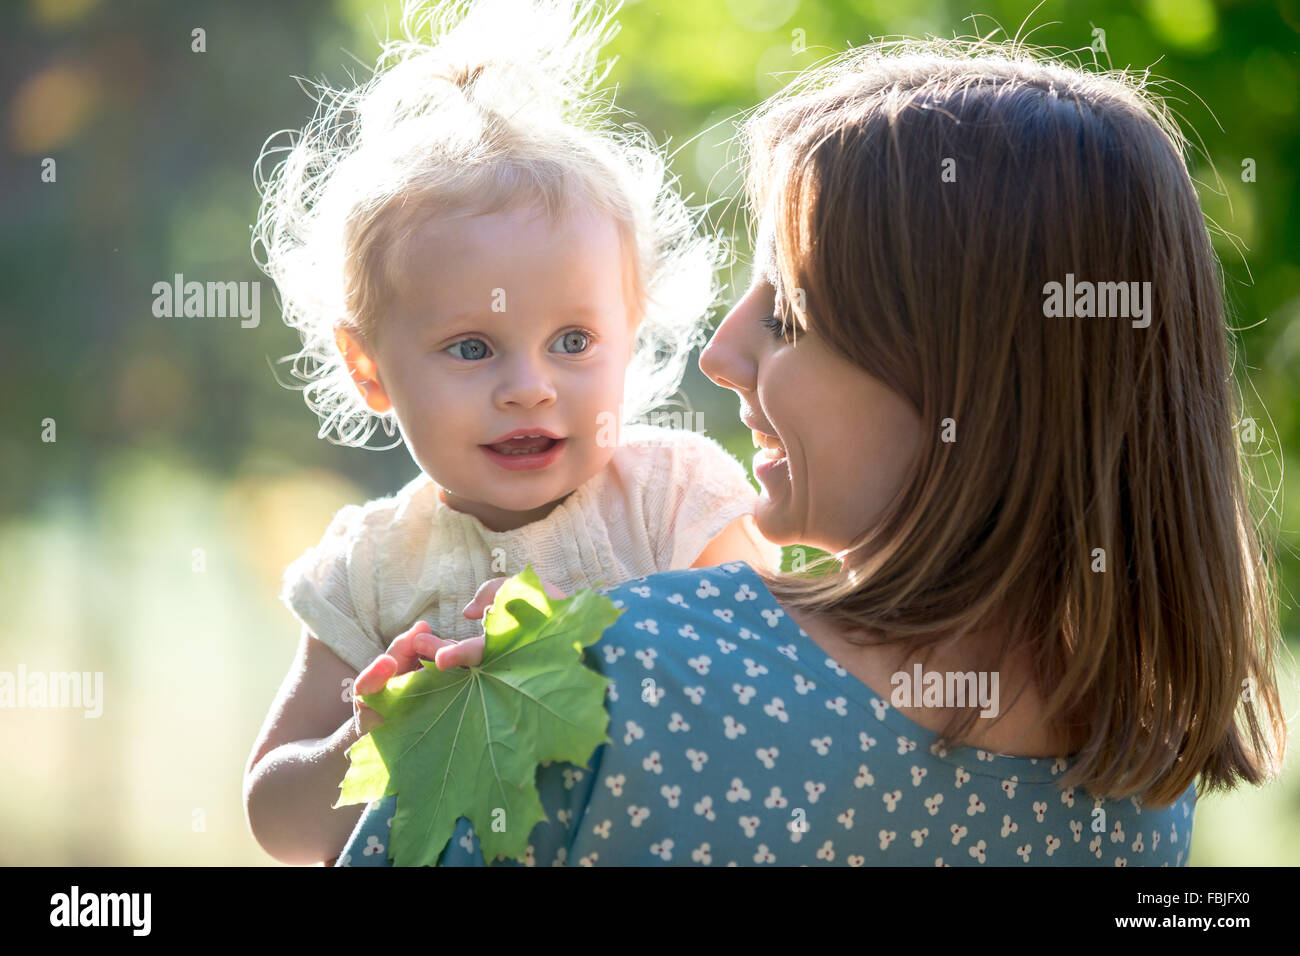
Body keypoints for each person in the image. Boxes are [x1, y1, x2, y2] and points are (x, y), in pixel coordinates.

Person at [336, 32, 1287, 866]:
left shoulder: (603, 670)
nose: (719, 352)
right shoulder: (1144, 789)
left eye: (788, 316)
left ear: (966, 385)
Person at [241, 0, 780, 867]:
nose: (528, 388)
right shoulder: (371, 570)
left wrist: (605, 651)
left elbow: (778, 703)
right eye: (472, 347)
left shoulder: (674, 502)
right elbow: (275, 816)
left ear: (631, 334)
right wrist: (372, 738)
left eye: (573, 342)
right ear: (368, 367)